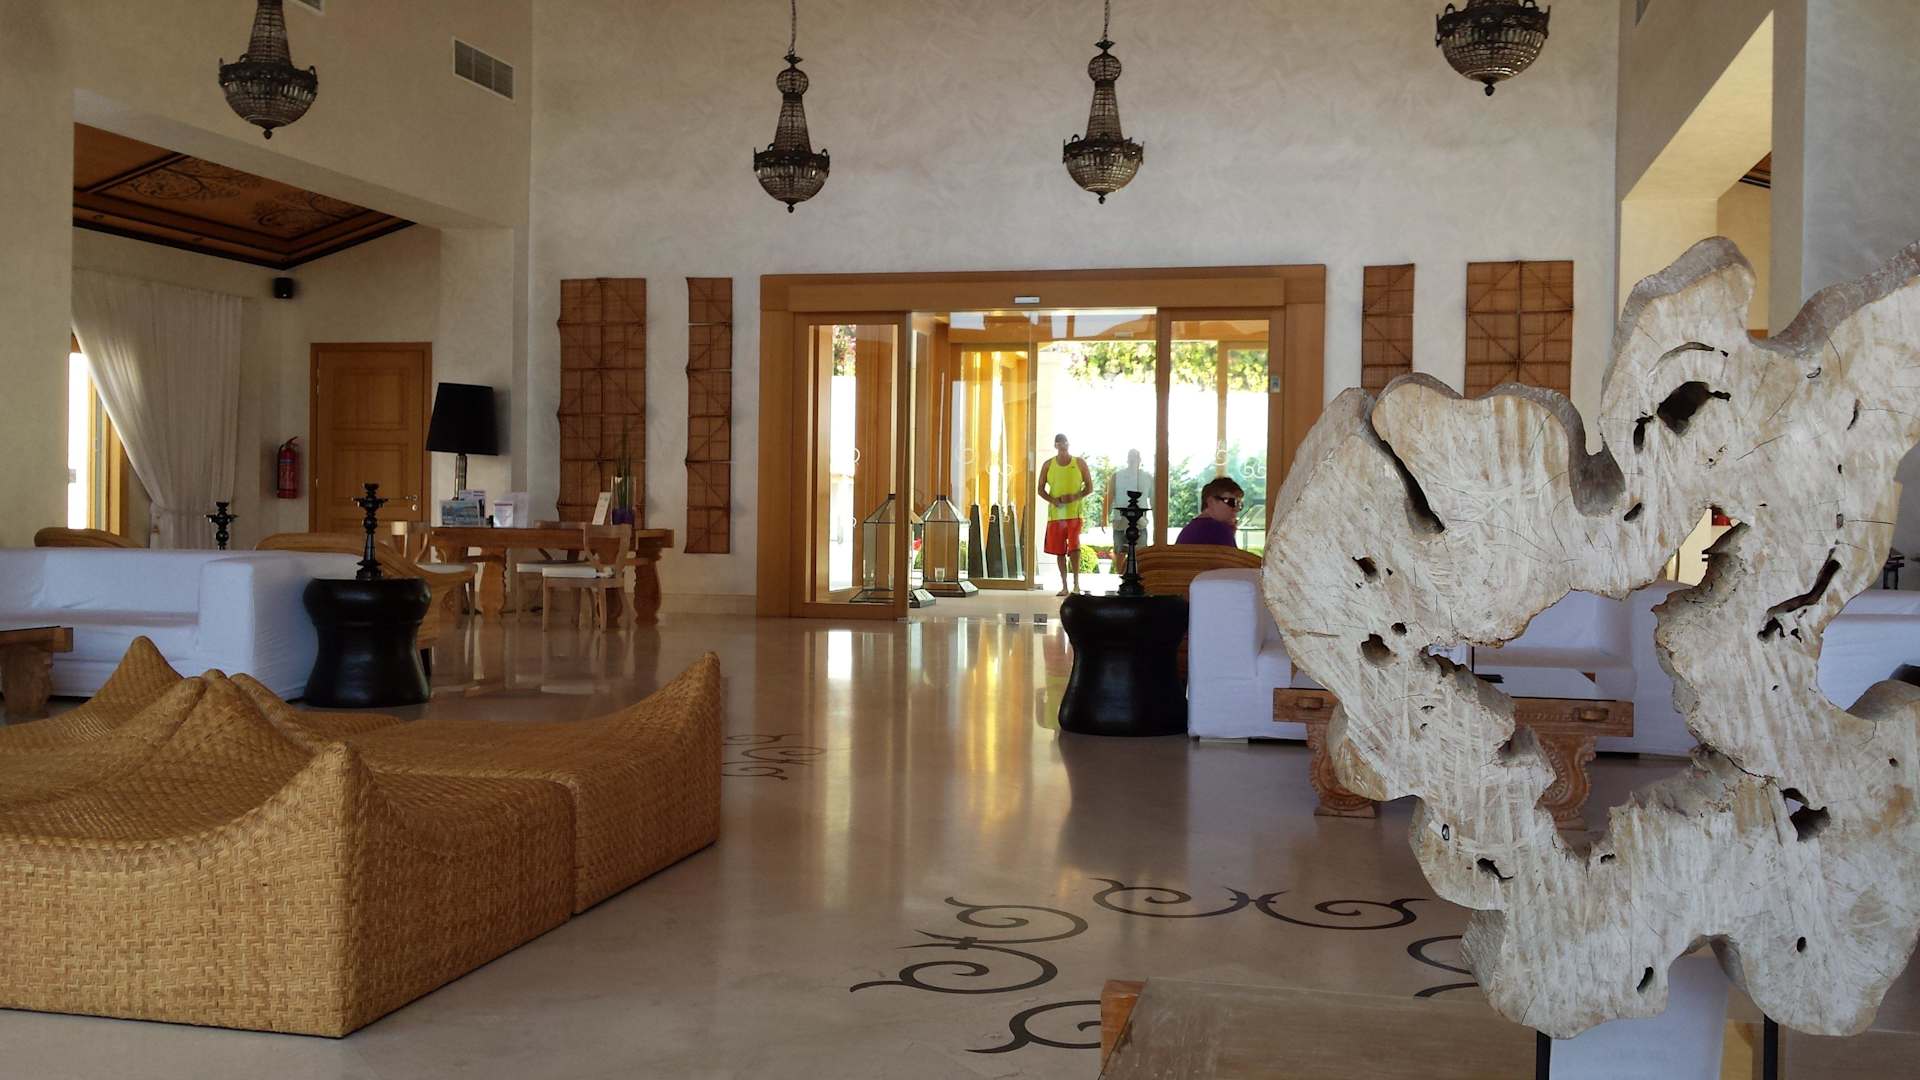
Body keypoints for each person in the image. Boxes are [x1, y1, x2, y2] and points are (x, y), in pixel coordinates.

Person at [1038, 433, 1093, 596]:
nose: (1063, 446)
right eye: (1060, 444)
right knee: (1059, 551)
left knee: (1075, 548)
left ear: (1069, 444)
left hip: (1074, 514)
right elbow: (1040, 489)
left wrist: (1075, 497)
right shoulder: (1048, 465)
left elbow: (1089, 487)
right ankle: (1064, 586)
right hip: (1056, 516)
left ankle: (1076, 584)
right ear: (1055, 446)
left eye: (1065, 443)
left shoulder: (1079, 463)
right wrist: (1053, 500)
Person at [1103, 448, 1153, 576]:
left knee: (1140, 553)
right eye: (1130, 457)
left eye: (1135, 457)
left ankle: (1139, 580)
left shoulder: (1147, 477)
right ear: (1127, 459)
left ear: (1140, 460)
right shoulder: (1117, 476)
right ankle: (1121, 578)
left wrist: (1158, 523)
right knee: (1120, 552)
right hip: (1120, 521)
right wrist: (1104, 518)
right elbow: (1109, 496)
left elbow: (1154, 500)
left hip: (1140, 522)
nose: (1132, 460)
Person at [1176, 476, 1244, 547]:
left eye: (1239, 504)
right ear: (1211, 502)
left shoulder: (1188, 530)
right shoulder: (1220, 531)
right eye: (1231, 502)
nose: (1236, 509)